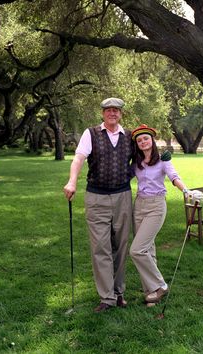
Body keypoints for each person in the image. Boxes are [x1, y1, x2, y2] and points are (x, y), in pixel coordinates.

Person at [63, 97, 133, 312]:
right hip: (96, 198)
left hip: (122, 196)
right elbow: (78, 158)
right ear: (102, 113)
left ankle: (119, 293)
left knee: (120, 247)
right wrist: (72, 181)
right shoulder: (91, 133)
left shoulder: (129, 136)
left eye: (116, 110)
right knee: (100, 247)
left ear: (121, 114)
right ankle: (107, 297)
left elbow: (145, 158)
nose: (113, 113)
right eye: (108, 110)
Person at [130, 124, 190, 306]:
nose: (143, 142)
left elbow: (174, 177)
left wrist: (186, 190)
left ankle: (160, 285)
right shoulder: (137, 162)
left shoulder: (163, 159)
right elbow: (125, 177)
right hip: (139, 205)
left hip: (156, 206)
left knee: (136, 250)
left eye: (145, 138)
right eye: (139, 140)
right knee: (148, 249)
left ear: (152, 139)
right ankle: (152, 294)